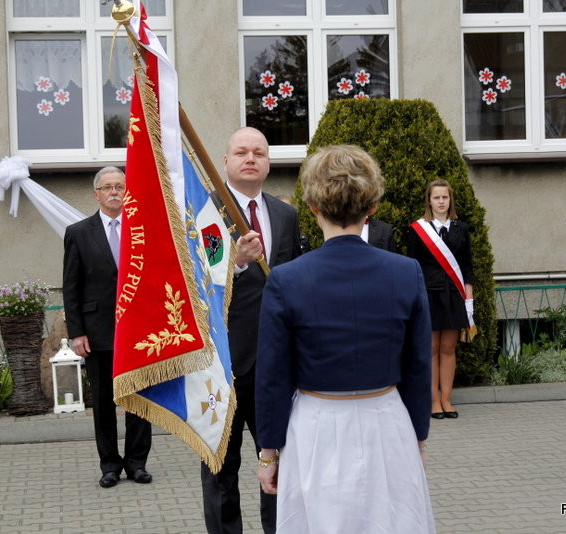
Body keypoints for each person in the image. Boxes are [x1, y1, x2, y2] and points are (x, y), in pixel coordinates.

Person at [255, 145, 434, 533]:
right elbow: (419, 366)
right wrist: (418, 437)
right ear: (371, 207)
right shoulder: (406, 272)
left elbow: (273, 375)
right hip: (387, 423)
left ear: (313, 206)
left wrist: (268, 453)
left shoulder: (286, 279)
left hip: (316, 427)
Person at [201, 127, 302, 534]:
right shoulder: (203, 211)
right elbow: (196, 282)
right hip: (222, 366)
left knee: (279, 466)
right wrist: (236, 264)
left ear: (268, 162)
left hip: (275, 365)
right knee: (221, 473)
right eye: (241, 152)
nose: (250, 158)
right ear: (225, 161)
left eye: (258, 152)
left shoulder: (285, 214)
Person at [62, 166, 153, 489]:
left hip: (139, 332)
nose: (115, 192)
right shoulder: (78, 232)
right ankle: (110, 465)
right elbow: (71, 287)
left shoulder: (143, 229)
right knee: (103, 403)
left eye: (120, 186)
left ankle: (137, 463)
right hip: (97, 332)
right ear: (96, 194)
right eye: (108, 187)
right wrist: (76, 332)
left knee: (139, 399)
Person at [406, 179, 474, 420]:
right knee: (431, 347)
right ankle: (433, 400)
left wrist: (470, 301)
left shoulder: (461, 228)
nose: (441, 201)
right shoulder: (417, 229)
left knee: (448, 348)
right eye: (437, 197)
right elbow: (412, 266)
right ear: (429, 201)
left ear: (450, 200)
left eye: (445, 197)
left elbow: (466, 266)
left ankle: (447, 399)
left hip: (455, 295)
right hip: (428, 294)